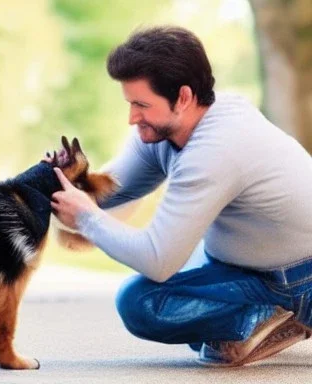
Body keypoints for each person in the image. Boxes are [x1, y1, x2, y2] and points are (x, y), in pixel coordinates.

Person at [49, 26, 312, 367]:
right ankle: (259, 319)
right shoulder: (162, 133)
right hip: (244, 272)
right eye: (130, 103)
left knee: (143, 301)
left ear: (184, 97)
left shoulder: (217, 148)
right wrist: (58, 182)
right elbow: (109, 190)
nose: (132, 117)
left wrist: (86, 217)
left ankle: (266, 316)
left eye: (141, 105)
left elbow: (158, 260)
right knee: (143, 299)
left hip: (303, 276)